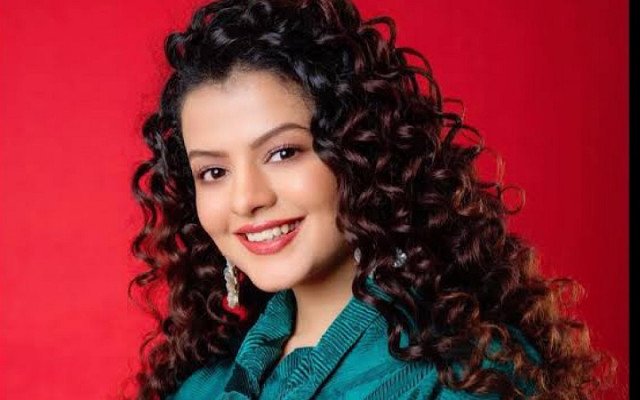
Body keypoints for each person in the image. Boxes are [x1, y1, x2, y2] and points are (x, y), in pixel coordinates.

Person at [128, 0, 614, 399]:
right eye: (213, 172)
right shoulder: (201, 387)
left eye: (283, 152)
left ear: (358, 152)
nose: (246, 199)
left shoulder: (464, 375)